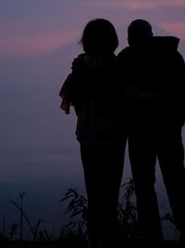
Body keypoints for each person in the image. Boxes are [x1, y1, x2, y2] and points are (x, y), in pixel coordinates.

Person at [117, 19, 185, 246]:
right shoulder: (171, 56)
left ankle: (153, 237)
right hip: (166, 131)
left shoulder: (126, 58)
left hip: (142, 133)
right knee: (174, 183)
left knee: (147, 186)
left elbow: (117, 97)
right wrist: (177, 119)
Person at [60, 19, 126, 248]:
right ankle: (110, 237)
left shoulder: (79, 65)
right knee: (111, 189)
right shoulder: (116, 66)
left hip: (87, 134)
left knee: (94, 190)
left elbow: (74, 100)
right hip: (113, 136)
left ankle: (94, 237)